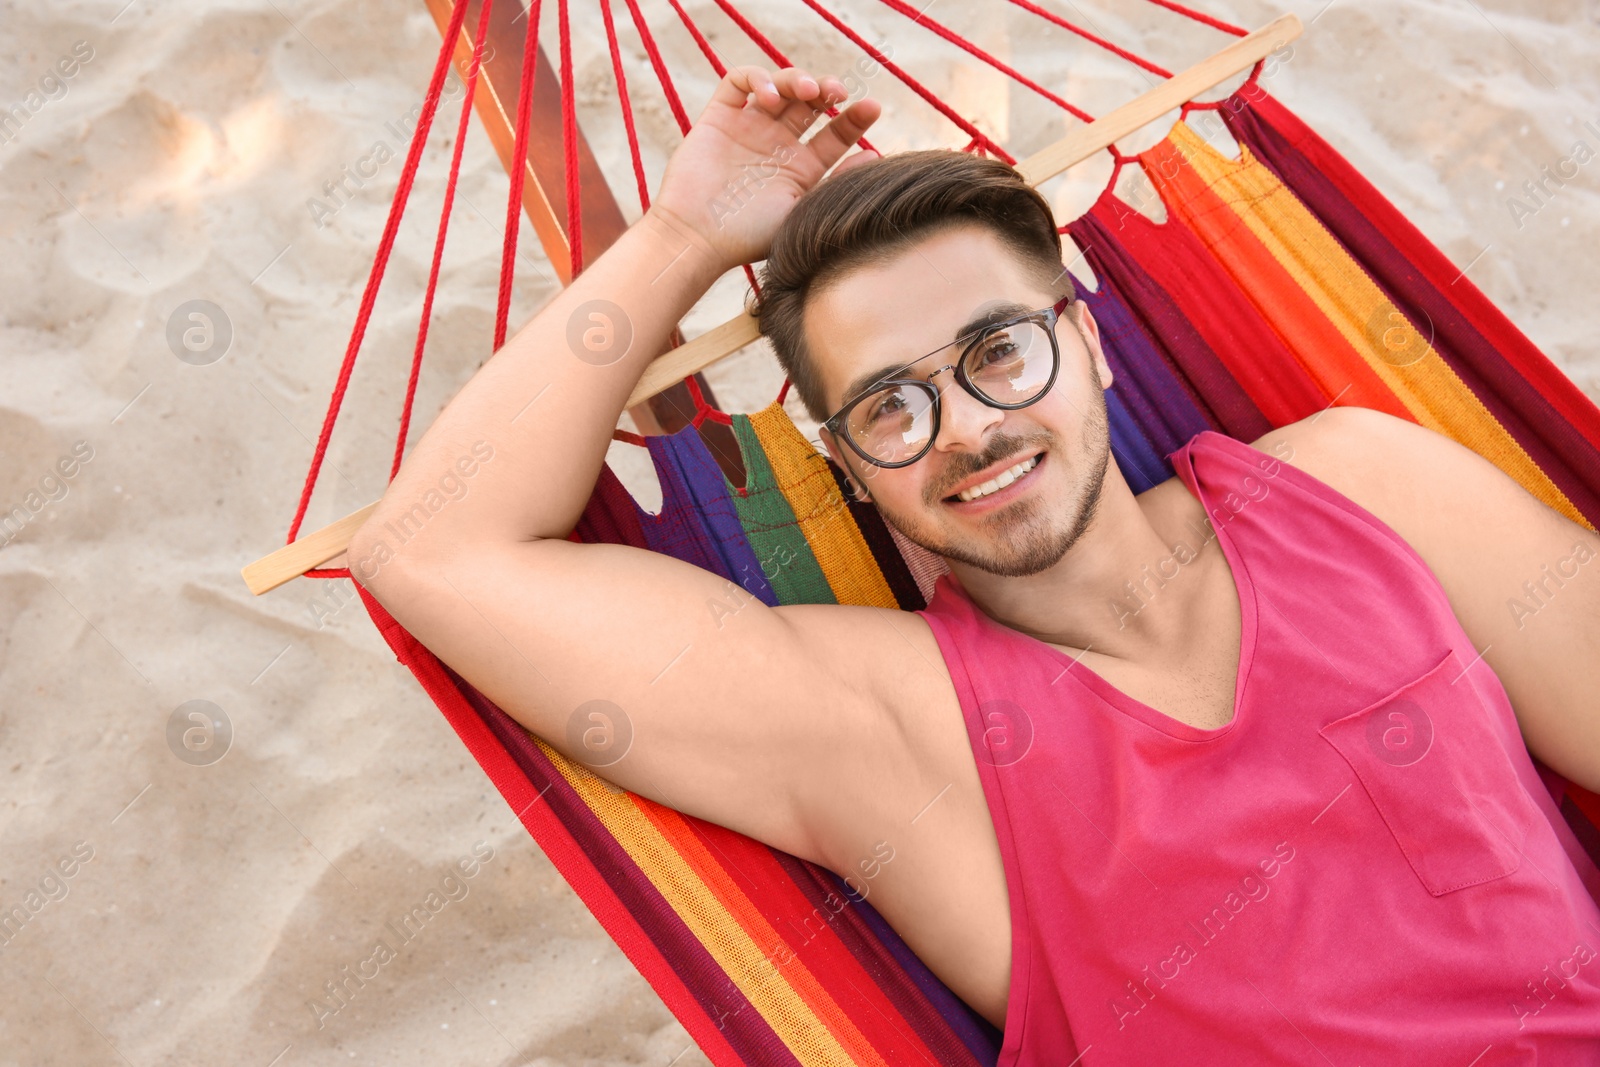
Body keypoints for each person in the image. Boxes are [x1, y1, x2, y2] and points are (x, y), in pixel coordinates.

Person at [349, 63, 1600, 1063]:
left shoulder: (1362, 491)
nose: (968, 428)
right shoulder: (898, 733)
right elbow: (434, 550)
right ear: (843, 460)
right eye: (890, 406)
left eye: (998, 351)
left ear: (1091, 343)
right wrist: (683, 233)